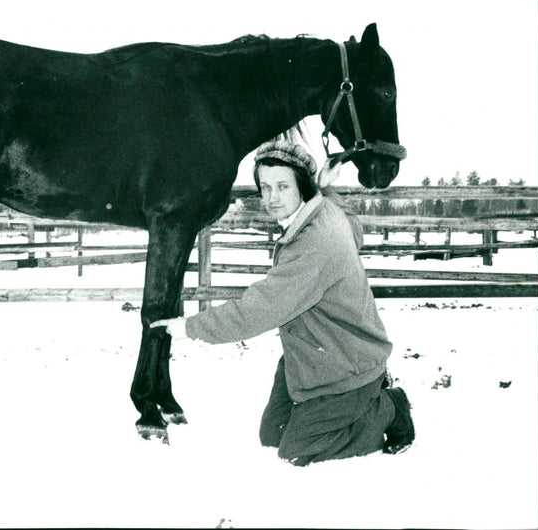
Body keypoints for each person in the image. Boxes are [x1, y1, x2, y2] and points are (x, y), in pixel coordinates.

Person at [152, 137, 415, 466]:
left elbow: (258, 310)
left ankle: (389, 408)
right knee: (273, 435)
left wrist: (190, 327)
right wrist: (326, 190)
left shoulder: (315, 242)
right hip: (314, 355)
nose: (272, 198)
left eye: (282, 187)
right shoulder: (322, 209)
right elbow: (355, 229)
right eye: (265, 187)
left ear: (301, 187)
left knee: (300, 449)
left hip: (347, 366)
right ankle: (356, 404)